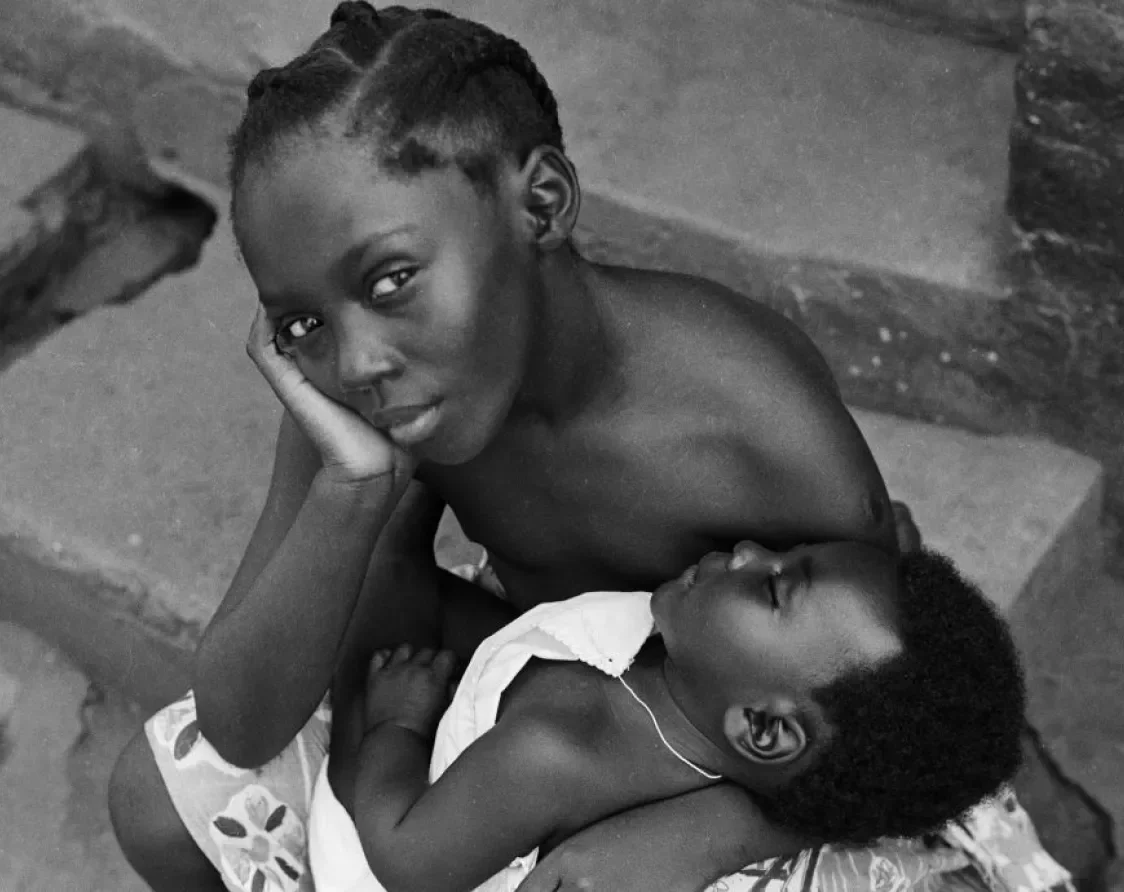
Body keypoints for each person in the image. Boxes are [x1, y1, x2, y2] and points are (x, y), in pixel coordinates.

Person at [106, 4, 1072, 892]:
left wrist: (713, 833)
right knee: (157, 799)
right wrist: (354, 494)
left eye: (392, 277)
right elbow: (239, 726)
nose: (357, 358)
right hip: (550, 688)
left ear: (541, 205)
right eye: (300, 322)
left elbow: (870, 714)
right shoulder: (370, 387)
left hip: (740, 771)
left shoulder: (753, 421)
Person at [310, 539, 1028, 892]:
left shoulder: (552, 752)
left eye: (774, 587)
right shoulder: (682, 672)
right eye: (783, 555)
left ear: (764, 730)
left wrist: (396, 728)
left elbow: (405, 858)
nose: (749, 549)